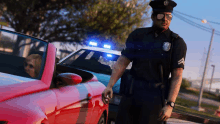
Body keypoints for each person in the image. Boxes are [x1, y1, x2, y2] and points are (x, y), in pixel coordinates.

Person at [102, 0, 187, 124]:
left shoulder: (177, 43)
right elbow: (122, 62)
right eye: (160, 15)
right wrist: (109, 85)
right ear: (153, 16)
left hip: (154, 99)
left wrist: (170, 105)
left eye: (169, 16)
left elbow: (177, 76)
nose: (165, 19)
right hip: (131, 94)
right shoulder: (138, 35)